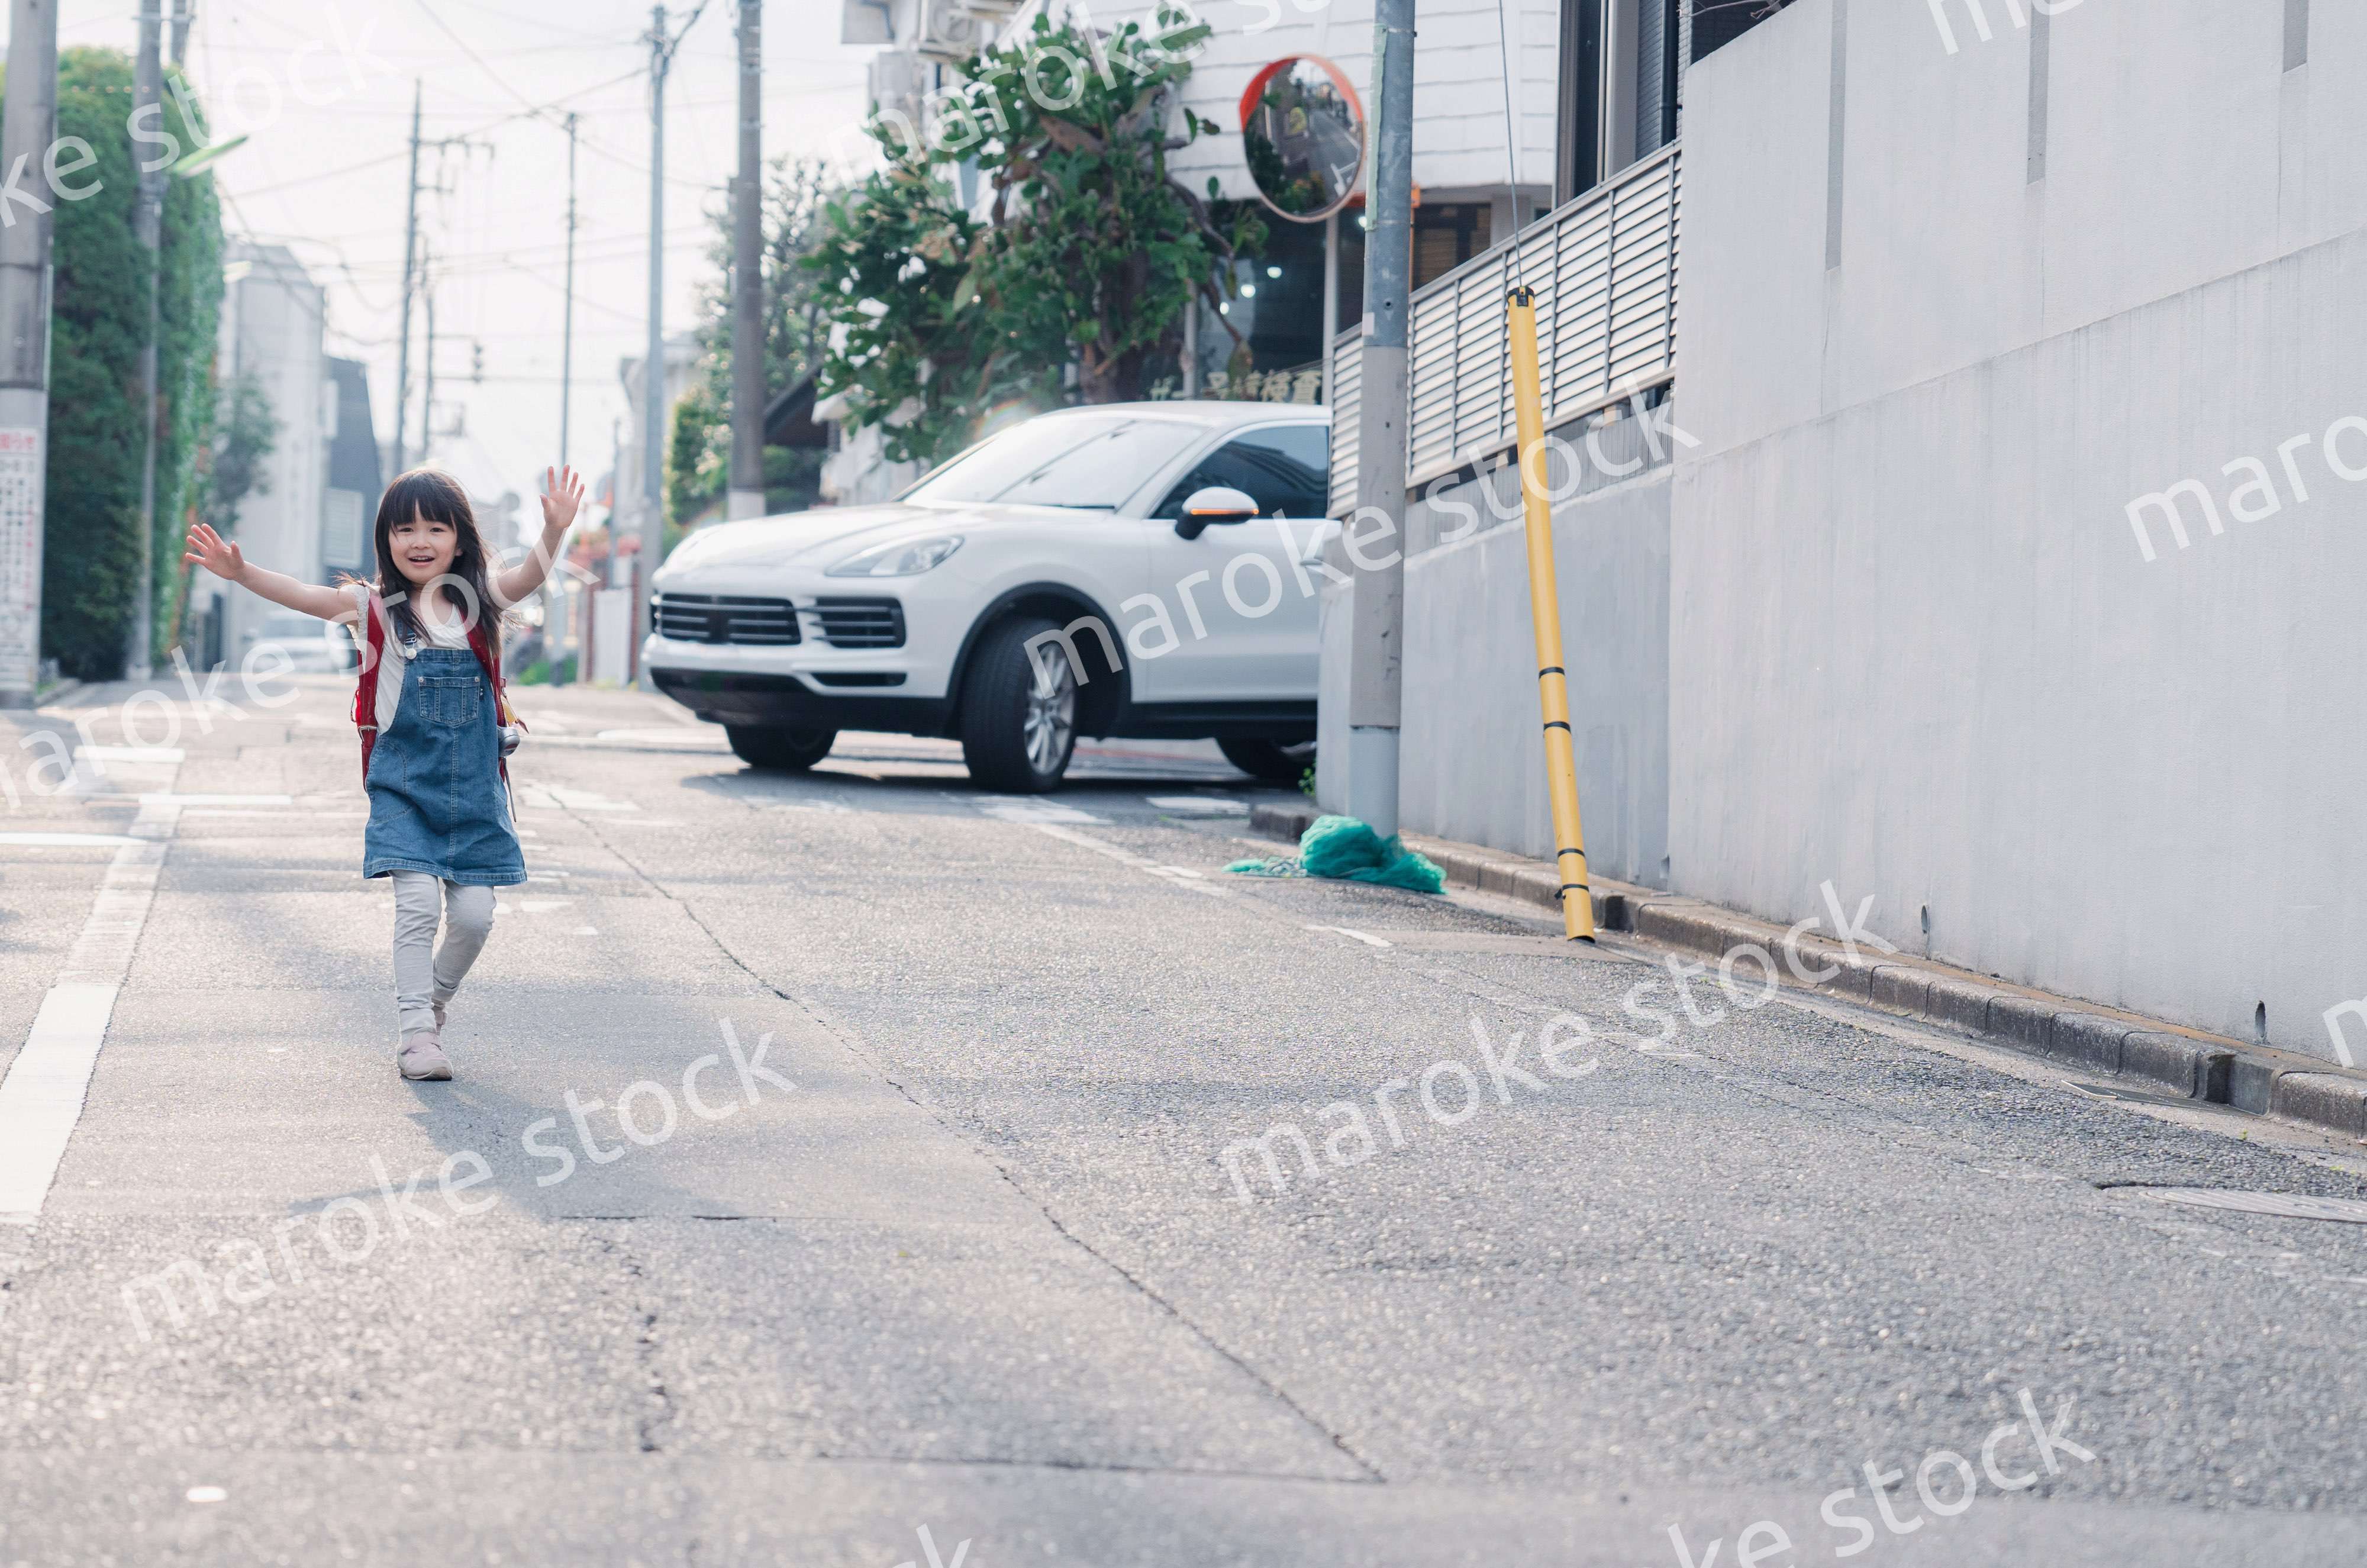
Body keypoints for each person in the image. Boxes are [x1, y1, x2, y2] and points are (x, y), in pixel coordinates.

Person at [183, 465, 585, 1082]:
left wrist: (554, 531)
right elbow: (303, 593)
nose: (419, 540)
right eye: (405, 529)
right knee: (419, 903)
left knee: (476, 916)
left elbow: (529, 575)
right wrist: (243, 574)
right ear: (386, 539)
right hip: (403, 791)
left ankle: (435, 1001)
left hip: (477, 797)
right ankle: (416, 1034)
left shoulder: (480, 603)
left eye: (435, 527)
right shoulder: (373, 607)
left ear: (459, 538)